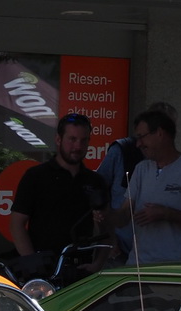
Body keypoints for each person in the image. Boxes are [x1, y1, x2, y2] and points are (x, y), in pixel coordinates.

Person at [110, 108, 181, 265]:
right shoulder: (141, 168)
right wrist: (105, 213)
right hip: (137, 269)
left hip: (174, 272)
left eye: (141, 137)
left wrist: (167, 214)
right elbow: (125, 215)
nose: (138, 144)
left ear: (159, 133)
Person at [10, 113, 109, 281]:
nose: (77, 146)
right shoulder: (36, 176)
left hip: (82, 271)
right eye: (72, 139)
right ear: (58, 139)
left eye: (83, 140)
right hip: (43, 270)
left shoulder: (95, 181)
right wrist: (34, 264)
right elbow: (16, 224)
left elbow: (108, 228)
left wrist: (97, 265)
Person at [97, 101, 178, 264]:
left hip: (154, 253)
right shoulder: (123, 151)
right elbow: (98, 189)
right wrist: (109, 238)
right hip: (120, 246)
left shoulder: (180, 165)